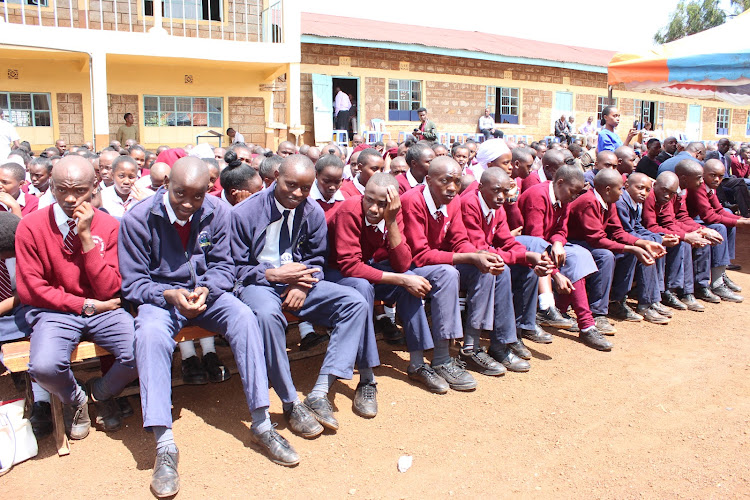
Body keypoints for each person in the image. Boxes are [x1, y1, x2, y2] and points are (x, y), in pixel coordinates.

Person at [119, 157, 289, 497]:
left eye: (196, 196)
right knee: (150, 335)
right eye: (180, 193)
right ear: (166, 183)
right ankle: (164, 445)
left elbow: (225, 266)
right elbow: (133, 285)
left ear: (208, 191)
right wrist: (168, 293)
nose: (187, 203)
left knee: (243, 316)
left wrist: (207, 288)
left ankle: (261, 423)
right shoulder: (137, 218)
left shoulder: (217, 211)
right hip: (161, 300)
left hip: (205, 295)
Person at [232, 154, 370, 437]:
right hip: (259, 283)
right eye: (290, 185)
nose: (297, 194)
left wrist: (301, 284)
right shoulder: (244, 212)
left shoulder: (312, 212)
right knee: (268, 316)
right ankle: (290, 402)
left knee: (354, 302)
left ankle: (319, 392)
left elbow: (316, 259)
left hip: (299, 283)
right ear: (276, 178)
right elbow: (233, 268)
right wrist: (272, 274)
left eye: (305, 188)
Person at [16, 155, 137, 443]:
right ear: (51, 188)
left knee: (141, 350)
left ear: (95, 186)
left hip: (104, 309)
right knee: (44, 367)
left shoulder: (109, 226)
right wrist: (82, 304)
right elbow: (31, 289)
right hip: (53, 311)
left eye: (79, 190)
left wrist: (85, 239)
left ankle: (101, 391)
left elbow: (110, 289)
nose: (70, 198)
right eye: (61, 189)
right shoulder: (31, 226)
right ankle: (76, 398)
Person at [401, 156, 515, 391]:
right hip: (412, 267)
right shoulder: (412, 201)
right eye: (445, 181)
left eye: (456, 181)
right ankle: (442, 358)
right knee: (448, 274)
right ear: (428, 179)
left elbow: (460, 241)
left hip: (440, 263)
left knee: (483, 267)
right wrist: (468, 256)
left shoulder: (452, 201)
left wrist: (478, 254)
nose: (452, 188)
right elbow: (419, 255)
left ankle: (471, 348)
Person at [327, 172, 433, 405]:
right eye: (369, 200)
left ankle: (417, 364)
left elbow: (403, 263)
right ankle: (366, 378)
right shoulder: (348, 210)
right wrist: (401, 279)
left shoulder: (393, 214)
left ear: (393, 204)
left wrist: (392, 220)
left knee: (410, 279)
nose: (374, 209)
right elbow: (349, 266)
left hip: (362, 269)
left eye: (382, 204)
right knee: (364, 288)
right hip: (334, 276)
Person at [460, 167, 554, 373]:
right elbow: (480, 249)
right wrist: (525, 255)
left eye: (505, 191)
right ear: (481, 187)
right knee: (501, 271)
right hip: (462, 262)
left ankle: (514, 334)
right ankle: (498, 345)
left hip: (482, 258)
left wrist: (528, 258)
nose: (501, 196)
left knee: (528, 270)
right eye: (496, 191)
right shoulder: (470, 204)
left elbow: (507, 241)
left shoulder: (496, 207)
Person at [517, 165, 611, 350]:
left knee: (580, 255)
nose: (574, 197)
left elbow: (561, 230)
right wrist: (556, 273)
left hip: (547, 245)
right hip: (527, 248)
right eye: (572, 191)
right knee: (569, 261)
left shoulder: (564, 198)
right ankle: (570, 317)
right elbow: (535, 239)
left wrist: (558, 242)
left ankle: (586, 325)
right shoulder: (538, 196)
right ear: (560, 182)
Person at [567, 168, 665, 331]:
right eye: (620, 188)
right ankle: (598, 313)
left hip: (591, 243)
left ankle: (616, 301)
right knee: (605, 256)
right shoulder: (588, 202)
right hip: (575, 243)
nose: (622, 193)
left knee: (629, 253)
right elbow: (596, 239)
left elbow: (618, 232)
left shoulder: (608, 201)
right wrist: (632, 248)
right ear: (607, 189)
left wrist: (641, 243)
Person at [615, 173, 676, 324]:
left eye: (647, 190)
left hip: (627, 239)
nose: (643, 192)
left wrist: (661, 237)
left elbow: (637, 227)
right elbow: (626, 232)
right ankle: (643, 304)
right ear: (627, 186)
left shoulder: (636, 203)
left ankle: (653, 299)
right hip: (615, 244)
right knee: (646, 252)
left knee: (656, 246)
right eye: (640, 188)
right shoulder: (621, 203)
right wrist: (656, 239)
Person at [685, 159, 746, 301]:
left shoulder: (710, 187)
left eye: (721, 176)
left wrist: (741, 220)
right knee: (719, 227)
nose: (717, 179)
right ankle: (717, 283)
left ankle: (722, 271)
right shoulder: (699, 187)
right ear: (703, 174)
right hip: (687, 222)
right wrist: (740, 223)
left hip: (693, 220)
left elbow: (718, 209)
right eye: (713, 175)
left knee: (729, 220)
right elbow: (709, 216)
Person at [706, 138, 750, 217]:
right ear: (718, 145)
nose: (725, 147)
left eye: (727, 145)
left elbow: (728, 173)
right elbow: (706, 166)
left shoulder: (727, 158)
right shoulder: (712, 155)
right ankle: (748, 206)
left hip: (726, 179)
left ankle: (745, 214)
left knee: (738, 187)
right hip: (717, 178)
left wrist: (731, 176)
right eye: (723, 145)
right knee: (740, 181)